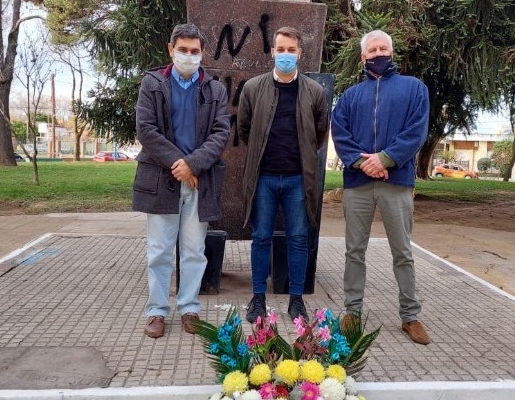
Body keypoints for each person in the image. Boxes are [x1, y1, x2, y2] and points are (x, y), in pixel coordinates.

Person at [331, 29, 432, 345]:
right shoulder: (349, 97)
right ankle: (352, 312)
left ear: (392, 52)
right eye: (372, 50)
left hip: (396, 183)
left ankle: (410, 316)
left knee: (402, 251)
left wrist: (386, 159)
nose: (378, 53)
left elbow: (416, 132)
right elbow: (340, 133)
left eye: (383, 48)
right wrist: (365, 163)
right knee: (354, 251)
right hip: (358, 184)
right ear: (363, 57)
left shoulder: (414, 89)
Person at [132, 23, 231, 339]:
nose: (189, 56)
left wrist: (193, 165)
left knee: (194, 250)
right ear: (170, 50)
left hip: (198, 182)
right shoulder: (153, 84)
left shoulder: (214, 89)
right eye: (183, 50)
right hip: (164, 180)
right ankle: (157, 311)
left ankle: (189, 308)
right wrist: (180, 165)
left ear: (202, 53)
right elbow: (146, 130)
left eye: (195, 51)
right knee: (159, 251)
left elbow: (220, 134)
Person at [238, 26, 329, 323]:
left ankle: (297, 300)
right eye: (281, 49)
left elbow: (319, 133)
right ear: (272, 52)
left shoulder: (314, 92)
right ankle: (257, 298)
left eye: (291, 50)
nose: (286, 55)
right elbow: (244, 129)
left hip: (297, 180)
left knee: (299, 238)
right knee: (261, 237)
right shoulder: (253, 88)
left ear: (300, 53)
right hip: (264, 177)